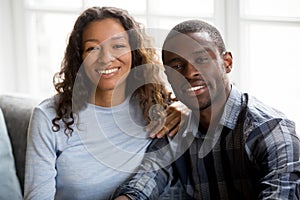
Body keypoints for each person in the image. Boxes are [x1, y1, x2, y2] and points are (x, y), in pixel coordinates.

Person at [113, 20, 300, 200]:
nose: (189, 73)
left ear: (227, 63)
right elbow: (145, 181)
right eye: (177, 66)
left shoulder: (271, 131)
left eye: (202, 59)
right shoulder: (176, 128)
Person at [24, 7, 184, 200]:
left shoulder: (154, 102)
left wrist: (188, 107)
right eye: (93, 48)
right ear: (79, 57)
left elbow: (217, 94)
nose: (106, 58)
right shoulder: (48, 116)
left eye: (117, 46)